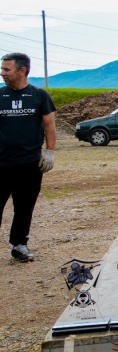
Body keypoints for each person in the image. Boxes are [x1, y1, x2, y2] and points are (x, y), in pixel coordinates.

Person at [0, 53, 56, 262]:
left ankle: (19, 245)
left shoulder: (40, 96)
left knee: (24, 207)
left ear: (22, 70)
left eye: (7, 69)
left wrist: (50, 152)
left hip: (29, 164)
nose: (2, 73)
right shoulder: (0, 95)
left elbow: (50, 126)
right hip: (1, 163)